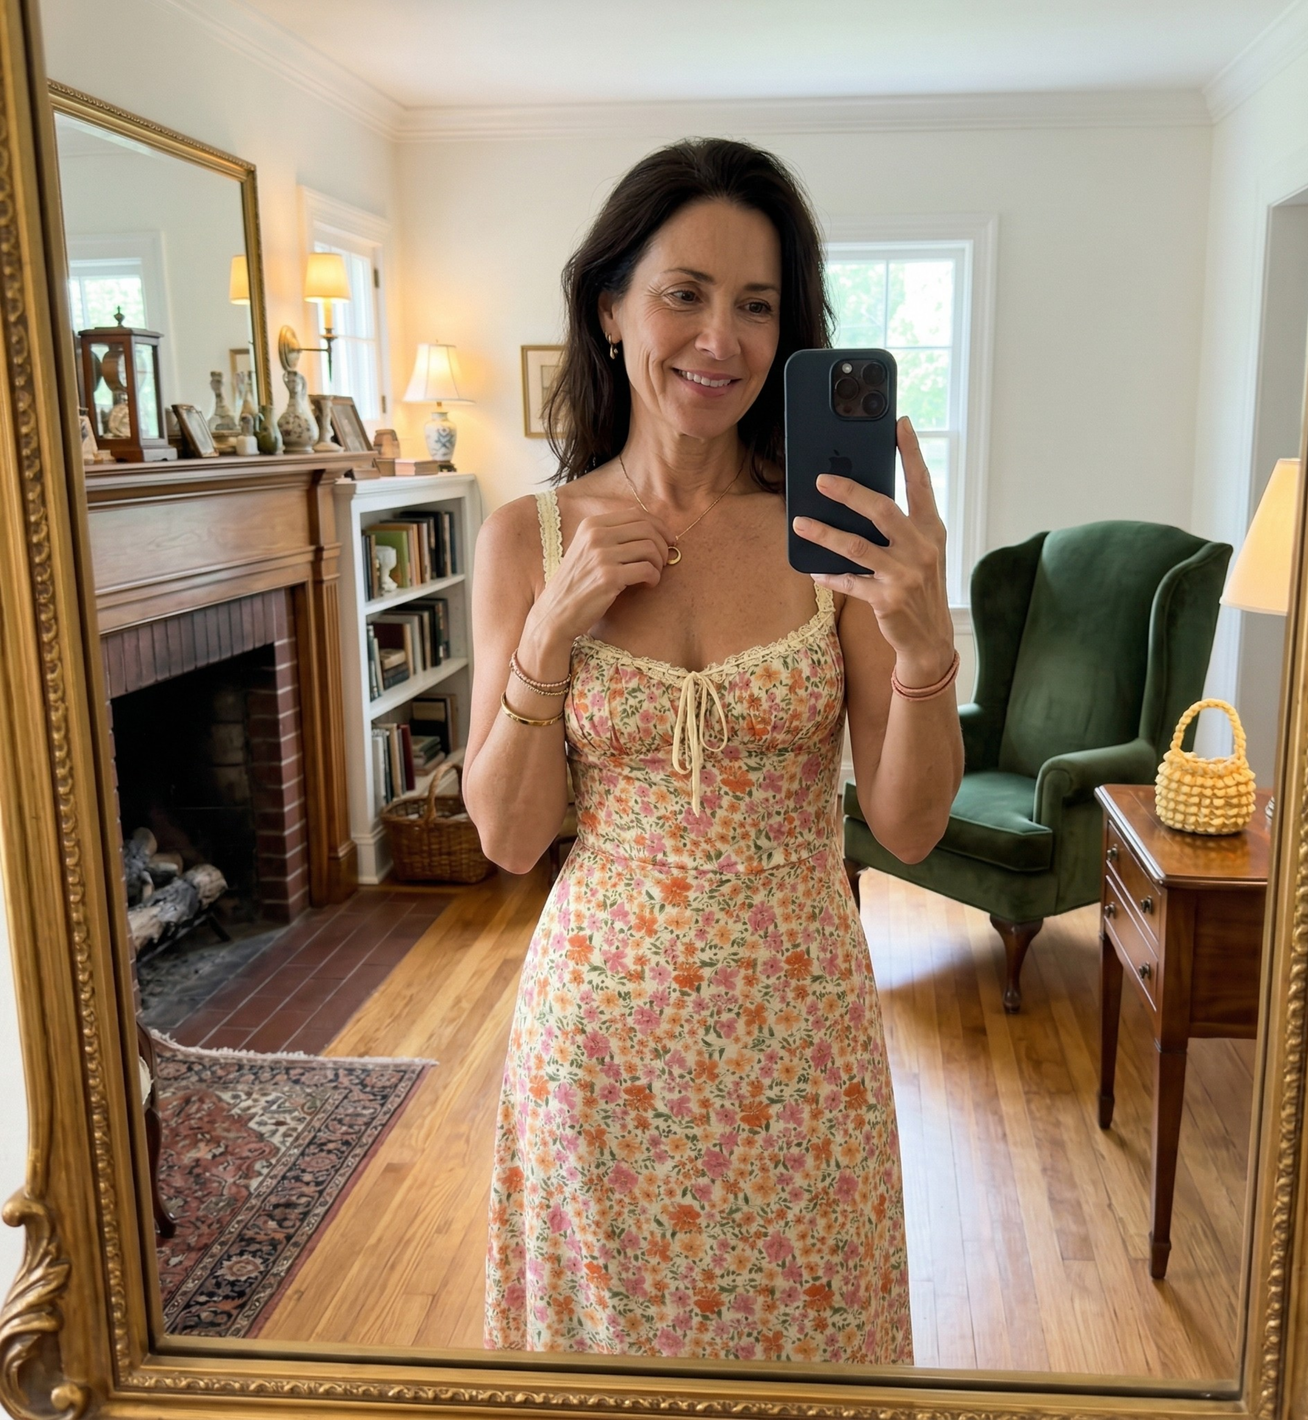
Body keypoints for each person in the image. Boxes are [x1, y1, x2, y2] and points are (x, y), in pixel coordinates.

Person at [464, 138, 963, 1364]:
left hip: (799, 1043)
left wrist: (924, 643)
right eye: (683, 293)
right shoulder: (526, 539)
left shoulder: (836, 535)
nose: (719, 339)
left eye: (756, 304)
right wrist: (550, 632)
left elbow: (908, 828)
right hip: (596, 1044)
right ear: (610, 306)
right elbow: (510, 838)